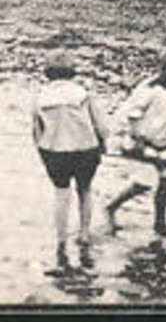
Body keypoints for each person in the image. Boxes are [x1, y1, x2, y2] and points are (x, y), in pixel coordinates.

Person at [32, 51, 112, 257]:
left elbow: (36, 130)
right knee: (85, 190)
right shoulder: (83, 94)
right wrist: (103, 142)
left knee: (61, 194)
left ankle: (61, 239)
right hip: (86, 148)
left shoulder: (41, 97)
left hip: (55, 150)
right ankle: (84, 233)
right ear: (72, 72)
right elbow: (101, 125)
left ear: (47, 73)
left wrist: (41, 151)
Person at [105, 47, 166, 235]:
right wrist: (136, 136)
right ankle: (112, 206)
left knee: (165, 182)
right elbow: (131, 114)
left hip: (163, 144)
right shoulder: (150, 90)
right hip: (143, 143)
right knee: (144, 183)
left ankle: (159, 224)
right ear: (165, 69)